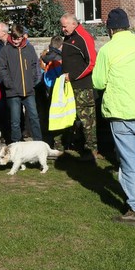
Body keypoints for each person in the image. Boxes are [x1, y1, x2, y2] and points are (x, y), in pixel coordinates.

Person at [92, 8, 135, 226]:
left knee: (130, 162)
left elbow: (98, 82)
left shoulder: (108, 49)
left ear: (110, 29)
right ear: (128, 25)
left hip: (123, 113)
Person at [60, 13, 98, 161]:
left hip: (82, 87)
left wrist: (73, 76)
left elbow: (91, 63)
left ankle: (91, 151)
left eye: (64, 26)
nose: (63, 29)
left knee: (87, 119)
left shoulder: (84, 37)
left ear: (73, 23)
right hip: (70, 86)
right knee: (71, 117)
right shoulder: (69, 36)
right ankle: (73, 144)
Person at [0, 24, 43, 142]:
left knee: (34, 117)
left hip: (29, 90)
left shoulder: (30, 48)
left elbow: (35, 65)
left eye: (18, 38)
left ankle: (39, 143)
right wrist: (8, 83)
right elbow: (2, 69)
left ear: (23, 37)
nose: (16, 41)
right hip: (13, 92)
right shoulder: (5, 50)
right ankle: (16, 145)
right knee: (15, 121)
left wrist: (33, 80)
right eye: (13, 38)